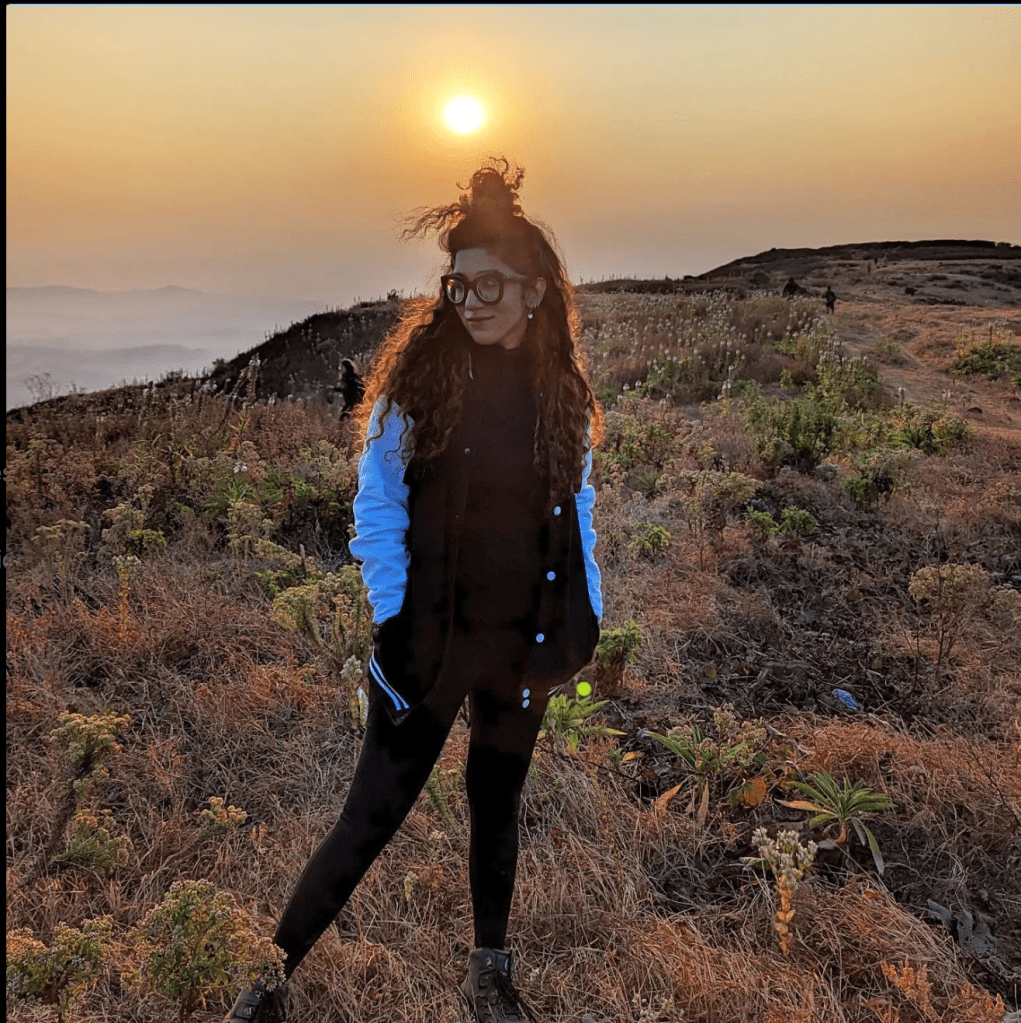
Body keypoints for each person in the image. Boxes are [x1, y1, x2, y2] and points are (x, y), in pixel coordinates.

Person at [223, 160, 603, 1023]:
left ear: (537, 290)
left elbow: (576, 500)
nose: (467, 303)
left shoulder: (562, 392)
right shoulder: (422, 383)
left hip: (526, 638)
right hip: (428, 640)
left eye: (488, 286)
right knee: (370, 816)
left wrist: (592, 605)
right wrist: (394, 613)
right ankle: (269, 982)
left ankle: (489, 977)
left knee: (496, 803)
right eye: (456, 286)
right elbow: (376, 503)